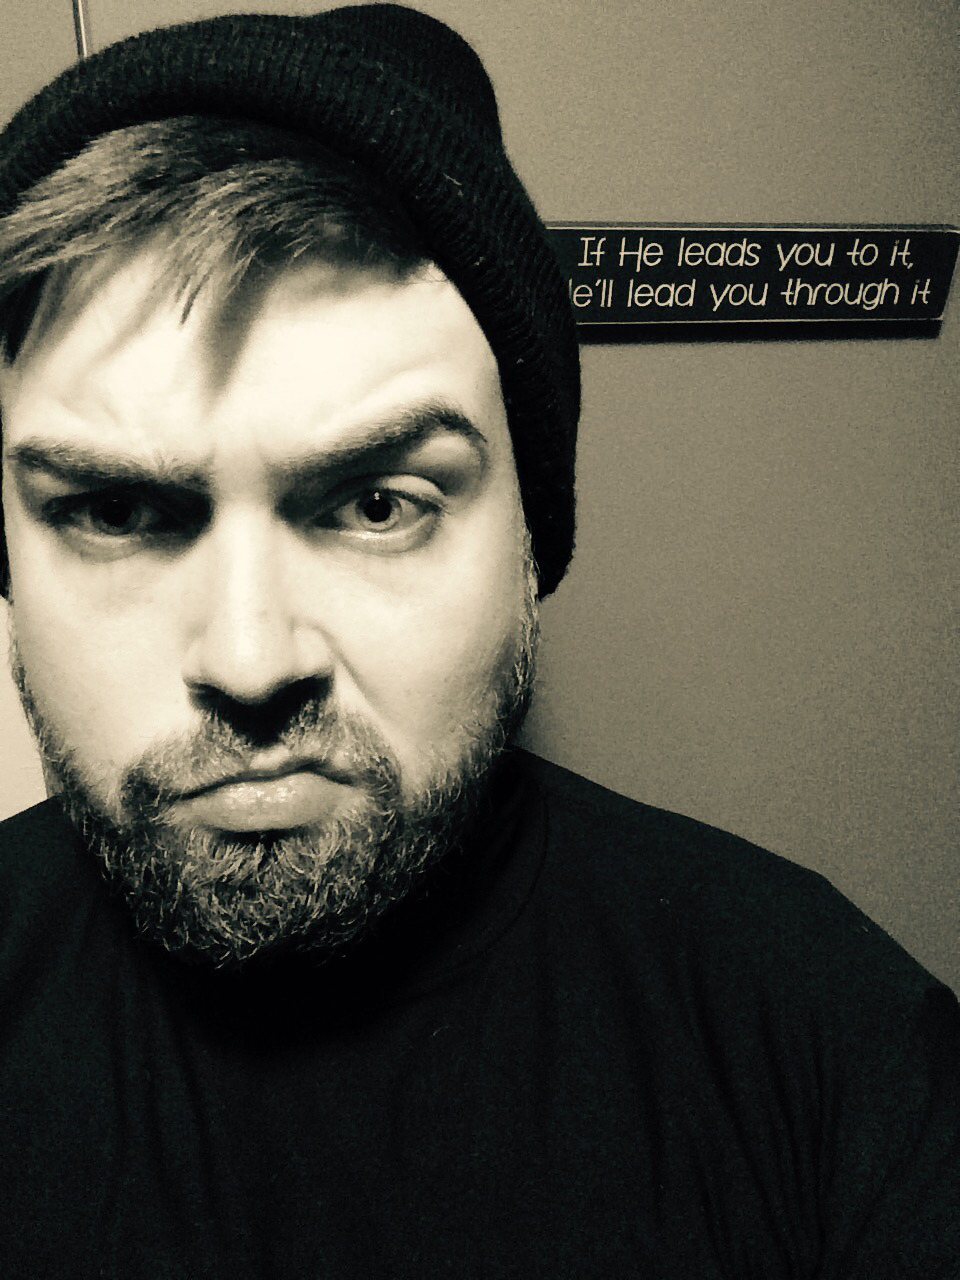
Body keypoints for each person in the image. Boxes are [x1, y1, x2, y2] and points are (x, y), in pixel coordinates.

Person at [0, 6, 956, 1276]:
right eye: (116, 511)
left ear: (528, 541)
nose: (250, 659)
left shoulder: (828, 1042)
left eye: (377, 504)